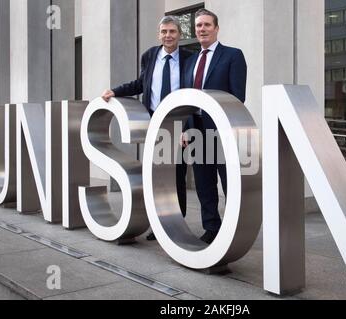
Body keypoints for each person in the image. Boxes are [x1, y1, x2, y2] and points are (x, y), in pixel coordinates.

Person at [102, 16, 193, 241]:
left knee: (176, 174)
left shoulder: (189, 58)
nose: (168, 35)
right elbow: (141, 84)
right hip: (154, 123)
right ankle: (159, 223)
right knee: (155, 175)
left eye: (172, 31)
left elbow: (193, 94)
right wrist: (115, 91)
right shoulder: (150, 55)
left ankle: (176, 221)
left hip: (177, 123)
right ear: (159, 33)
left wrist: (187, 127)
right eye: (164, 31)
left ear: (179, 35)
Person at [183, 9, 247, 244]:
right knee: (204, 183)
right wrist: (184, 129)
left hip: (222, 131)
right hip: (196, 130)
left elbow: (238, 96)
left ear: (216, 28)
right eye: (198, 26)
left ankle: (236, 229)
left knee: (230, 182)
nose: (202, 29)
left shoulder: (232, 55)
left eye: (207, 25)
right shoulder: (190, 61)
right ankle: (211, 227)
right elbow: (186, 99)